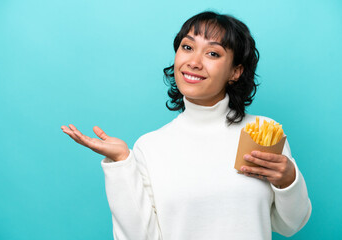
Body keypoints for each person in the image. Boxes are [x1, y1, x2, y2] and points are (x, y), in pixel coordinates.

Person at [61, 11, 311, 240]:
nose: (194, 61)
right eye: (187, 47)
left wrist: (288, 180)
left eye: (213, 53)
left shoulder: (263, 132)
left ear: (235, 71)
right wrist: (121, 163)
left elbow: (290, 225)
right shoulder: (150, 147)